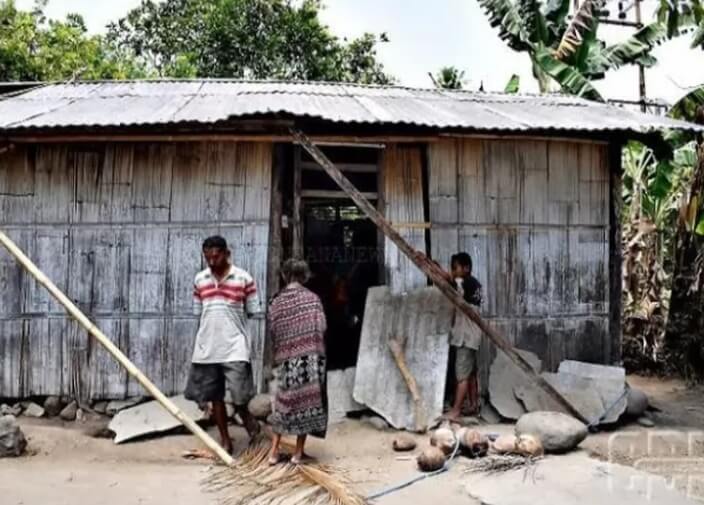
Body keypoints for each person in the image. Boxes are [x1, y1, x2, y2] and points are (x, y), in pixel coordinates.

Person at [184, 235, 261, 455]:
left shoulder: (243, 278)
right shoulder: (200, 280)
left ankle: (249, 422)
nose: (211, 262)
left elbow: (253, 311)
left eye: (216, 257)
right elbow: (198, 314)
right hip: (207, 348)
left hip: (235, 346)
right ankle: (226, 440)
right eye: (207, 257)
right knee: (214, 396)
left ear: (227, 254)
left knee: (240, 395)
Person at [267, 259, 328, 465]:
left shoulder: (275, 302)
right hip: (309, 360)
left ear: (284, 275)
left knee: (283, 405)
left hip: (287, 361)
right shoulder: (313, 299)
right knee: (307, 404)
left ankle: (273, 453)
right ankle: (298, 454)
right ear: (304, 276)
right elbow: (322, 327)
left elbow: (273, 332)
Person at [445, 252, 483, 420]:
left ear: (466, 268)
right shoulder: (474, 284)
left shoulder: (464, 283)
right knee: (471, 374)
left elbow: (451, 282)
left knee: (461, 376)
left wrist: (443, 274)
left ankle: (456, 411)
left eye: (455, 268)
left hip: (465, 338)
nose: (453, 271)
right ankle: (473, 405)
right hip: (473, 336)